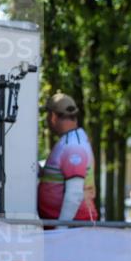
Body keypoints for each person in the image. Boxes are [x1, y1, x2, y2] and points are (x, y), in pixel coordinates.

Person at [37, 93, 98, 221]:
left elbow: (74, 194)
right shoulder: (70, 140)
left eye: (47, 115)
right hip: (68, 229)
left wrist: (61, 229)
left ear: (53, 117)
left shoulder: (73, 146)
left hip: (71, 231)